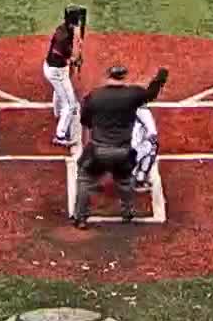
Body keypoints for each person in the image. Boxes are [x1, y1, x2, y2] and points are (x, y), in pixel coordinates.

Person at [72, 64, 170, 228]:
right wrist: (159, 80)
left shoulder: (95, 96)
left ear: (108, 76)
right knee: (125, 180)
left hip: (98, 150)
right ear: (124, 77)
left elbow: (85, 121)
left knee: (84, 179)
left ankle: (81, 218)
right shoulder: (133, 94)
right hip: (123, 151)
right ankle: (128, 211)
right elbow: (151, 94)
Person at [42, 6, 85, 147]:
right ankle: (60, 136)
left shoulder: (64, 28)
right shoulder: (63, 37)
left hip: (55, 69)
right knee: (70, 105)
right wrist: (74, 60)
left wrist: (74, 56)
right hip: (56, 72)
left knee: (59, 91)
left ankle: (57, 113)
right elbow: (58, 54)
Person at [130, 105, 159, 193]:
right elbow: (153, 134)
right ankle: (139, 179)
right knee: (153, 146)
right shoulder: (144, 112)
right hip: (131, 154)